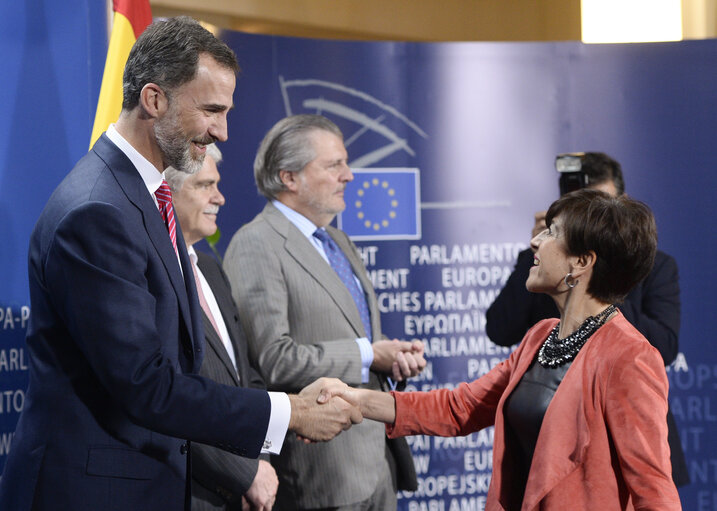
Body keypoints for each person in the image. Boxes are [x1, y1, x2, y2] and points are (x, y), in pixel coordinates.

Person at [0, 18, 359, 511]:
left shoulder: (144, 196)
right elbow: (146, 385)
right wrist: (289, 412)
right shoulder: (98, 210)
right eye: (211, 110)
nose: (223, 132)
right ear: (154, 100)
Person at [321, 189, 682, 510]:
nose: (535, 242)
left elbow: (653, 490)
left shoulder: (629, 356)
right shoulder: (541, 336)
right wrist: (355, 399)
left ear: (581, 263)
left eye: (552, 233)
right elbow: (459, 408)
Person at [223, 114, 426, 510]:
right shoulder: (256, 244)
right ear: (289, 177)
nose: (348, 175)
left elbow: (349, 332)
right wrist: (368, 353)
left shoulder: (337, 239)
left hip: (375, 461)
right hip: (321, 476)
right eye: (334, 165)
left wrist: (389, 356)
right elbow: (273, 359)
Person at [485, 152, 689, 487]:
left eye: (605, 209)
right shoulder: (545, 267)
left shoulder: (655, 267)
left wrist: (612, 275)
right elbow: (499, 328)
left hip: (627, 453)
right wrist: (538, 255)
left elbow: (663, 346)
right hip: (551, 457)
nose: (598, 222)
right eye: (586, 211)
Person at [167, 144, 279, 511]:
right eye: (205, 185)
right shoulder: (153, 280)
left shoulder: (213, 271)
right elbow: (165, 398)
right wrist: (242, 474)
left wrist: (260, 462)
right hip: (189, 493)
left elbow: (248, 377)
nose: (220, 197)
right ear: (166, 192)